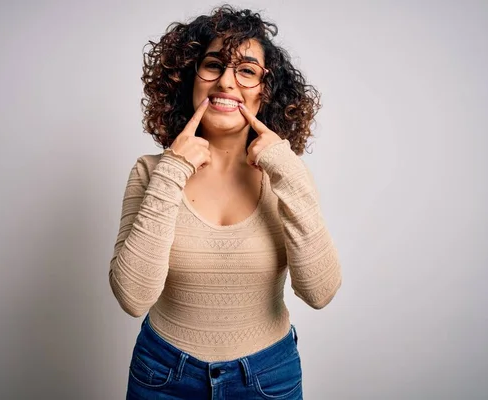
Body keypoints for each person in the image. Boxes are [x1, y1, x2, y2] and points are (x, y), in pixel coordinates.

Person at [109, 5, 342, 399]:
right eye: (214, 65)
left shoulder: (286, 175)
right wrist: (173, 169)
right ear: (189, 79)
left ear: (266, 92)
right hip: (163, 375)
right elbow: (132, 298)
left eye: (247, 71)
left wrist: (286, 170)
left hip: (268, 377)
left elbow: (320, 292)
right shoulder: (150, 172)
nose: (227, 83)